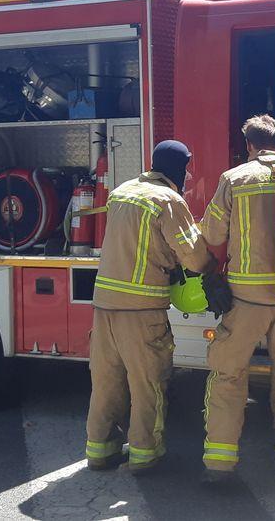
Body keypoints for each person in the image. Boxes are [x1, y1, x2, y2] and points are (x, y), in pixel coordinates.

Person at [86, 140, 214, 474]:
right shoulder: (168, 200)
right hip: (142, 310)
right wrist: (211, 267)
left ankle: (100, 451)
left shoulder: (122, 191)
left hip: (104, 306)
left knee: (106, 383)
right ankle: (145, 454)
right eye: (185, 168)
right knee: (148, 385)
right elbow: (192, 254)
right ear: (177, 168)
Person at [198, 115, 275, 484]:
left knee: (228, 377)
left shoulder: (234, 179)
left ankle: (220, 465)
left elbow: (212, 232)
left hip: (245, 301)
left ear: (248, 144)